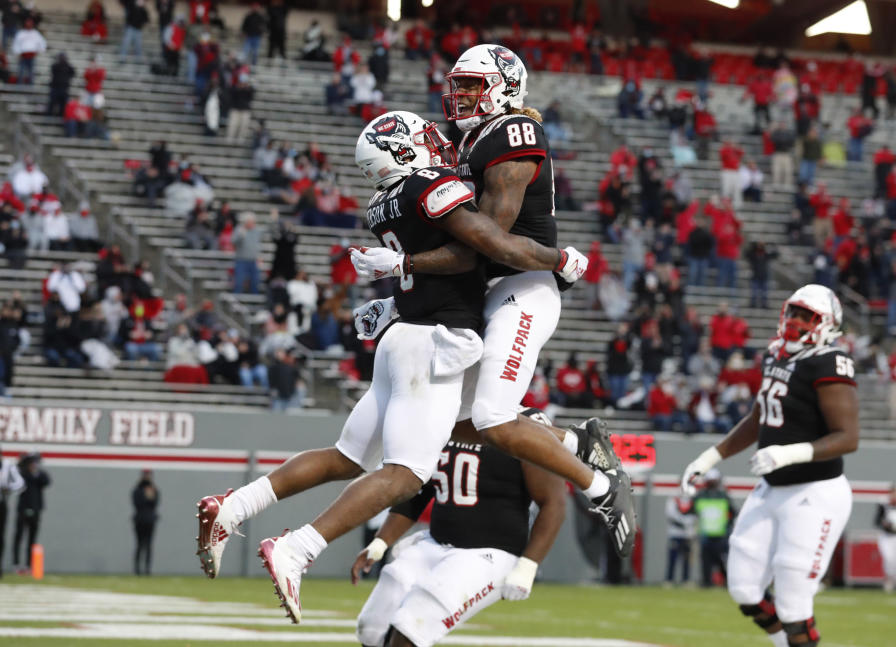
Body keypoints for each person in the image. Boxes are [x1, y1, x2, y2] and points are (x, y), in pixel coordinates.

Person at [197, 111, 629, 624]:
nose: (437, 144)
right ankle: (298, 549)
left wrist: (398, 283)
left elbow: (430, 259)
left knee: (346, 456)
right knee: (406, 472)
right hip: (432, 343)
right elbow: (481, 247)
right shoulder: (429, 183)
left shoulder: (382, 203)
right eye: (423, 139)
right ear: (404, 151)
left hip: (402, 336)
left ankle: (233, 507)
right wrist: (557, 260)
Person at [357, 50, 639, 551]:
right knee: (463, 425)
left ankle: (601, 485)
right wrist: (403, 303)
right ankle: (580, 442)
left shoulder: (513, 133)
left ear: (506, 86)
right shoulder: (467, 137)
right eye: (457, 85)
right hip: (486, 288)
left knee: (491, 416)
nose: (459, 95)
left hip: (520, 287)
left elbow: (486, 239)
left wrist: (406, 268)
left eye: (470, 85)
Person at [680, 284, 859, 647]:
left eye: (806, 316)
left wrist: (787, 453)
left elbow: (847, 437)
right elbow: (760, 416)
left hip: (815, 491)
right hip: (771, 487)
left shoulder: (829, 361)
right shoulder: (776, 354)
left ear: (827, 324)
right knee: (744, 587)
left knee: (794, 602)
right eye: (793, 312)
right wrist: (711, 456)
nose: (795, 321)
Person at [352, 408, 566, 647]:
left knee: (411, 628)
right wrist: (381, 542)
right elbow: (420, 490)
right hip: (434, 544)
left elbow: (554, 502)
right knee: (372, 628)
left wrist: (528, 566)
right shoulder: (446, 412)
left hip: (488, 554)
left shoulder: (527, 421)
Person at [694, 469, 735, 587]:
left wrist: (728, 527)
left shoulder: (723, 496)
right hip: (705, 533)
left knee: (722, 562)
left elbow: (732, 513)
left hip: (721, 534)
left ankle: (727, 582)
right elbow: (694, 512)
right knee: (705, 561)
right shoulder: (700, 495)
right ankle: (706, 582)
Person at [12, 453, 50, 573]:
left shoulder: (39, 475)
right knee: (19, 537)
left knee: (32, 540)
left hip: (36, 509)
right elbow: (18, 480)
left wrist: (35, 471)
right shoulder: (23, 474)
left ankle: (29, 565)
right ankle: (16, 564)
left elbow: (47, 481)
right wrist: (23, 464)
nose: (33, 465)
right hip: (22, 509)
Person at [0, 445, 26, 577]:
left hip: (1, 504)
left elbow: (20, 483)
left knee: (0, 537)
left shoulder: (7, 466)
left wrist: (8, 488)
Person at [664, 494, 696, 585]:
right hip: (675, 534)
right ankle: (669, 579)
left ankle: (686, 580)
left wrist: (688, 523)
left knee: (687, 559)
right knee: (672, 558)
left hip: (688, 535)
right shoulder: (674, 499)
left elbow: (695, 514)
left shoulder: (692, 500)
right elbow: (671, 515)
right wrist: (684, 522)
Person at [132, 469, 159, 575]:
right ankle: (137, 570)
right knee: (139, 545)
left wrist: (150, 496)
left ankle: (147, 570)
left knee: (148, 545)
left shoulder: (153, 490)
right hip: (140, 520)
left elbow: (155, 503)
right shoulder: (137, 490)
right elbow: (136, 503)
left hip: (150, 520)